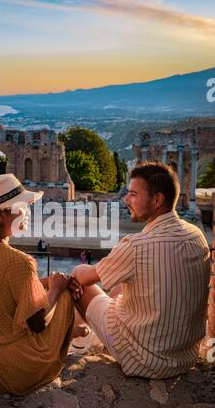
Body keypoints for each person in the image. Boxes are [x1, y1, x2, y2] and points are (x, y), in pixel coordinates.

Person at [70, 161, 210, 379]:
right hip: (186, 356)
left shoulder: (137, 246)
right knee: (120, 283)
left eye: (133, 194)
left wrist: (80, 272)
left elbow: (84, 278)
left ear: (157, 200)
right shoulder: (197, 235)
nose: (126, 200)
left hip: (143, 359)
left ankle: (81, 342)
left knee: (79, 279)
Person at [0, 174, 75, 395]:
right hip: (9, 370)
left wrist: (46, 282)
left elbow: (0, 288)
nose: (27, 212)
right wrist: (56, 288)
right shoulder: (18, 262)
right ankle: (61, 348)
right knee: (66, 295)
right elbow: (37, 324)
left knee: (50, 288)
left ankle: (73, 328)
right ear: (1, 214)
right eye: (22, 206)